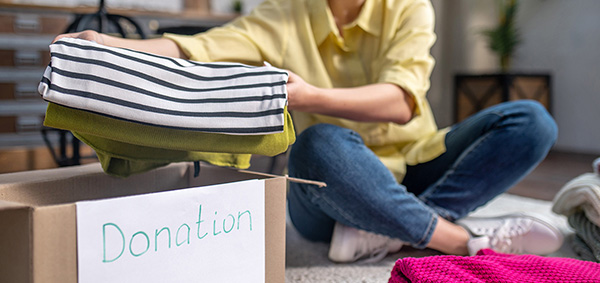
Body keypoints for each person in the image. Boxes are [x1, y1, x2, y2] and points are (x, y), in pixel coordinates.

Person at [53, 0, 562, 263]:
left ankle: (389, 229)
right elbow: (199, 47)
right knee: (319, 142)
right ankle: (454, 238)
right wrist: (114, 47)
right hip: (330, 192)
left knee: (531, 122)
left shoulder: (407, 7)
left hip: (417, 160)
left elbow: (402, 104)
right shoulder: (284, 14)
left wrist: (309, 95)